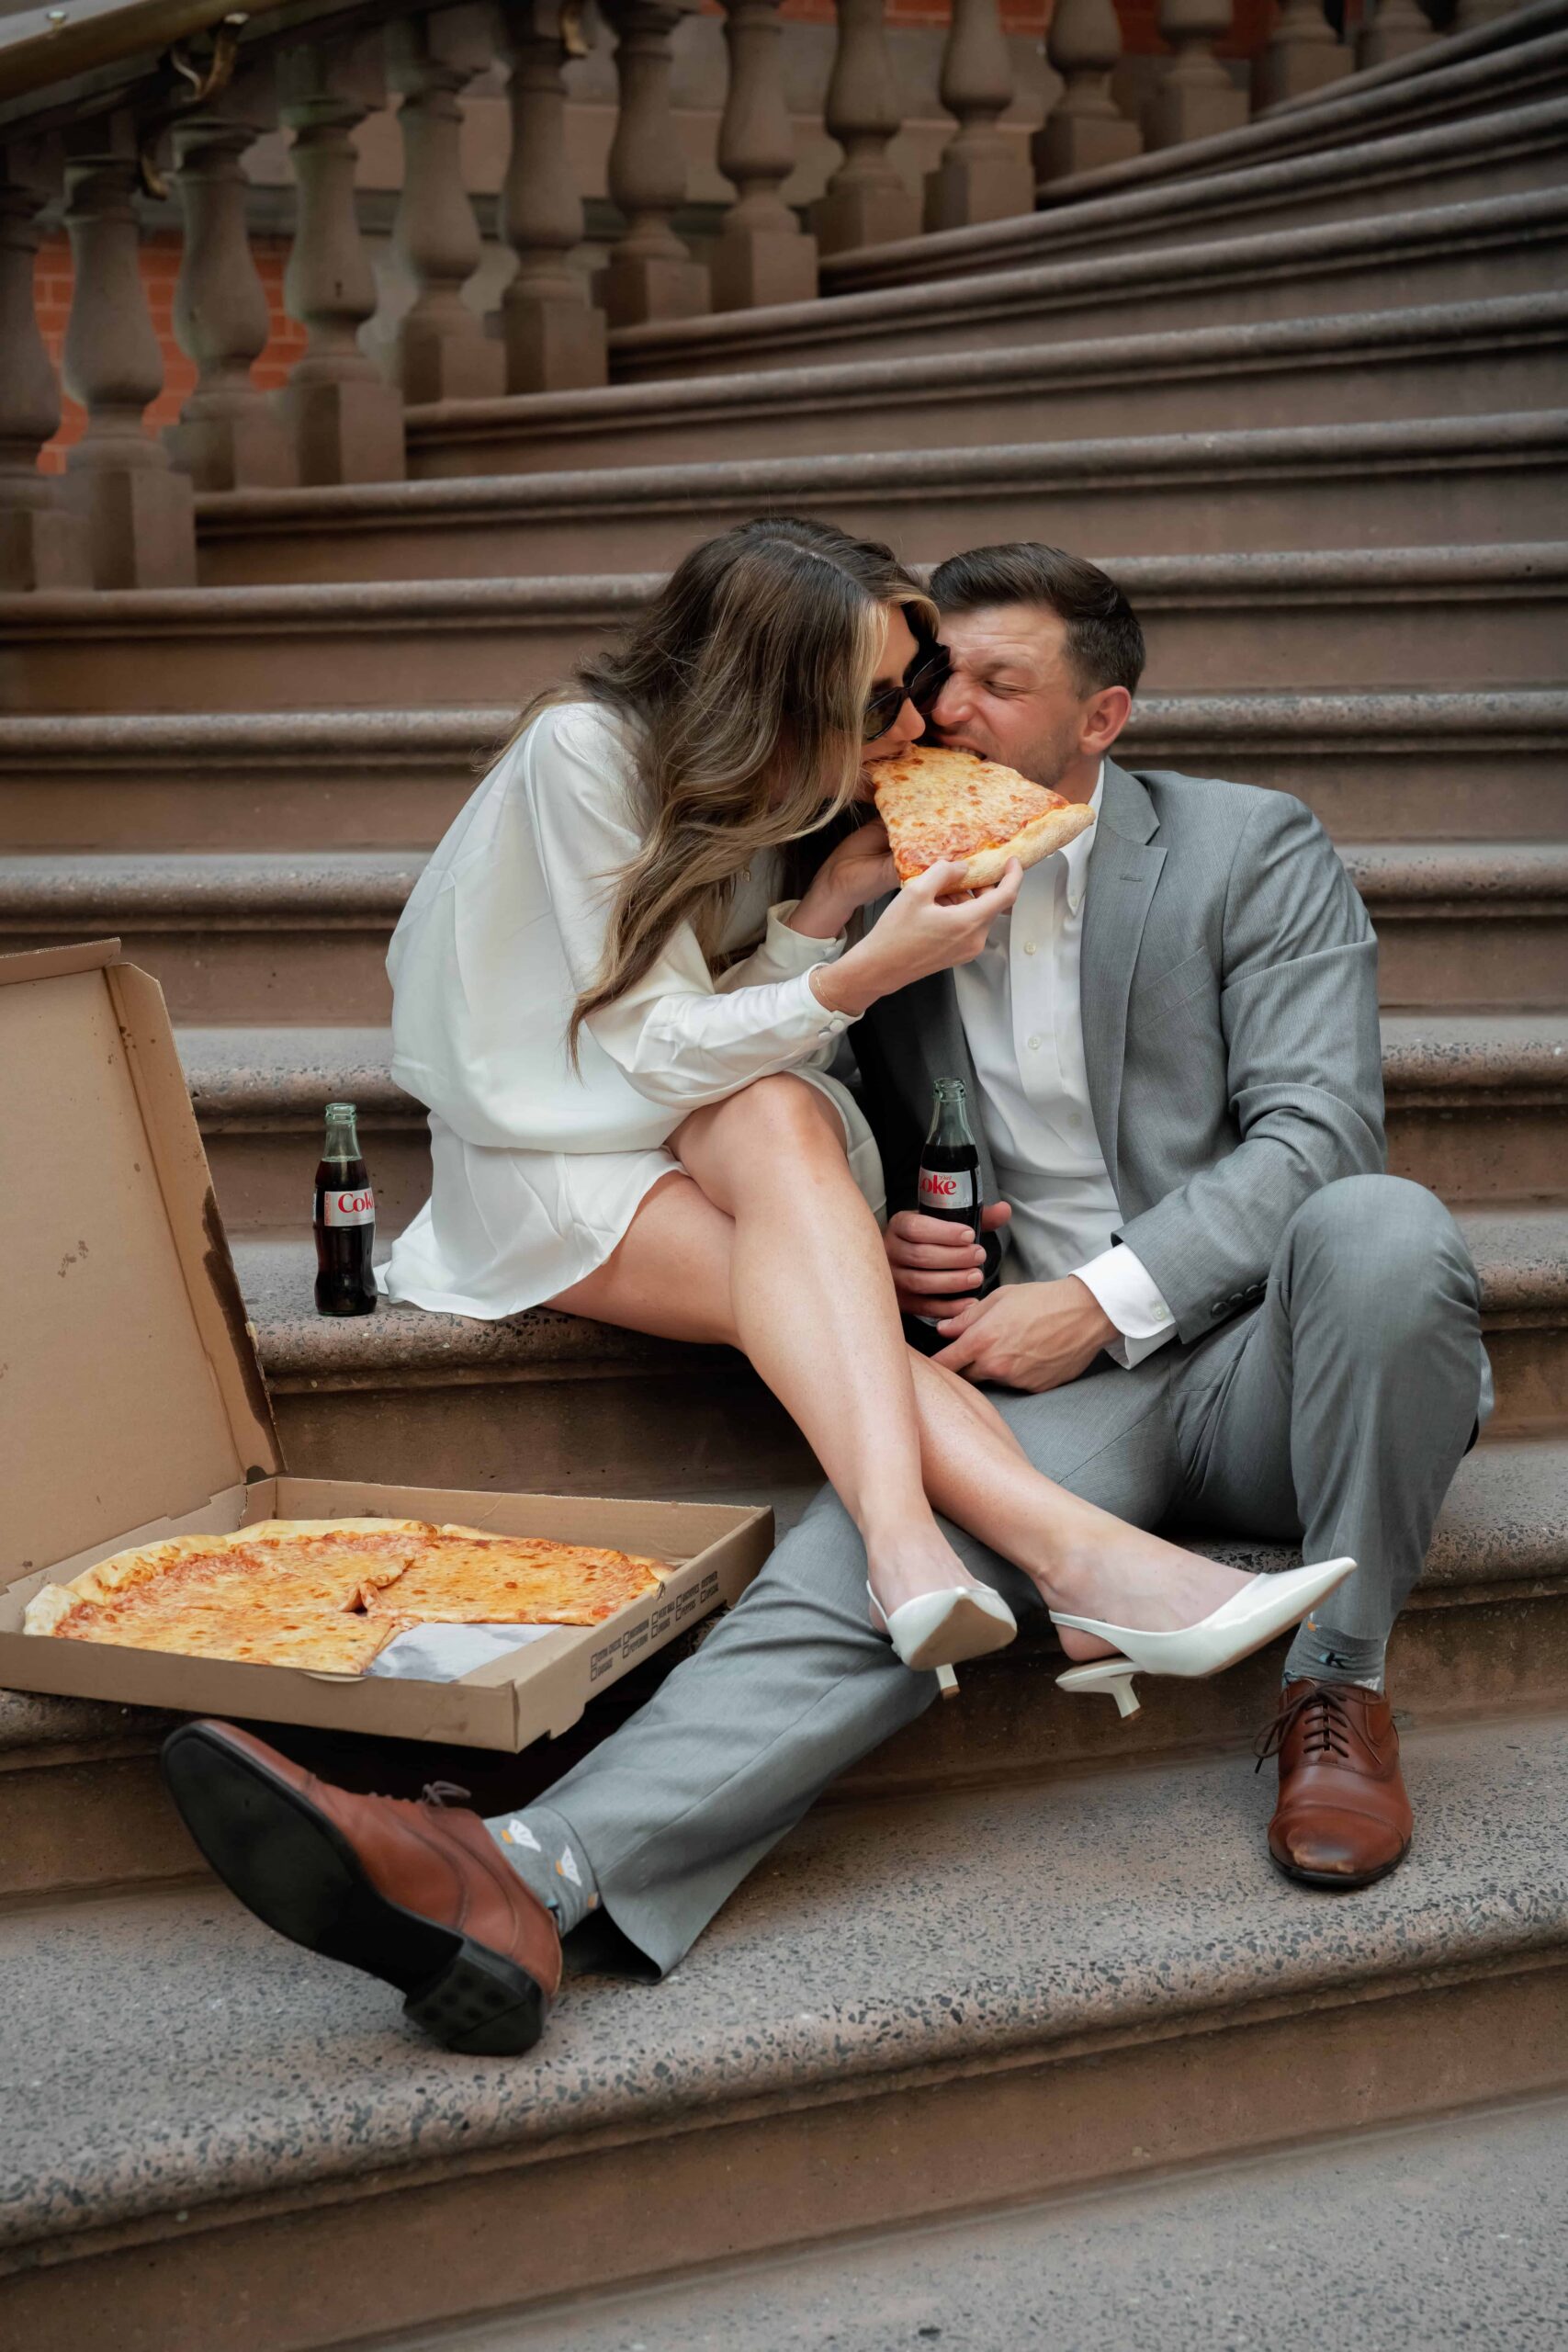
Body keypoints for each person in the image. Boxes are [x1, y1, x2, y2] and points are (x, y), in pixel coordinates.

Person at [160, 535, 1473, 2058]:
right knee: (872, 1538)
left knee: (1385, 1229)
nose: (943, 717)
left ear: (1101, 718)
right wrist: (904, 1231)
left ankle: (1337, 1687)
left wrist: (1101, 1298)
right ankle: (527, 1870)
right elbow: (761, 1077)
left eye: (998, 683)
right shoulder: (860, 855)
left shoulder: (1249, 845)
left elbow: (1319, 1137)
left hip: (1266, 1361)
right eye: (931, 680)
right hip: (1028, 1380)